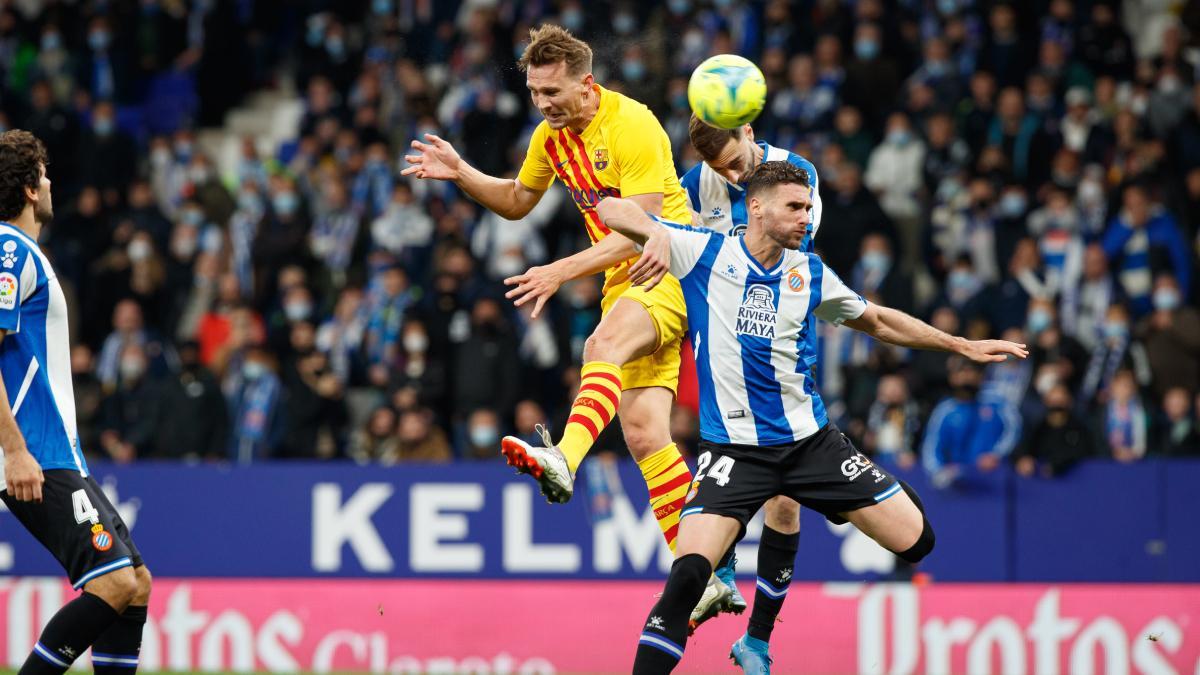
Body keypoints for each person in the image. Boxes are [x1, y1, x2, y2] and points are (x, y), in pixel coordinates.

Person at [592, 161, 1027, 674]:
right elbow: (609, 207)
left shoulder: (810, 273)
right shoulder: (703, 251)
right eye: (795, 207)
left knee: (919, 543)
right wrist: (657, 235)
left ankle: (843, 499)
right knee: (687, 576)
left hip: (812, 446)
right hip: (733, 453)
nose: (806, 217)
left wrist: (960, 344)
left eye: (808, 207)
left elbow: (880, 320)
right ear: (756, 207)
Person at [403, 25, 694, 557]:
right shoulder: (550, 138)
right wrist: (463, 172)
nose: (542, 104)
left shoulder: (632, 124)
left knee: (599, 349)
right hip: (620, 283)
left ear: (585, 84)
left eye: (552, 93)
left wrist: (560, 270)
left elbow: (649, 231)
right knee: (645, 433)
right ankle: (706, 571)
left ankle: (564, 456)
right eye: (535, 93)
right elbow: (517, 200)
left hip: (668, 266)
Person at [0, 130, 151, 673]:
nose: (49, 181)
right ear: (27, 188)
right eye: (42, 172)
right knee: (112, 582)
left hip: (57, 451)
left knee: (134, 584)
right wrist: (15, 451)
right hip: (34, 452)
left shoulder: (26, 251)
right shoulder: (8, 247)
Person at [677, 116, 822, 661]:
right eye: (721, 170)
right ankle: (725, 571)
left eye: (736, 162)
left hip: (783, 335)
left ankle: (758, 638)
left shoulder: (795, 172)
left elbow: (792, 247)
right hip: (719, 340)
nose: (732, 175)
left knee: (785, 502)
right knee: (723, 460)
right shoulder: (694, 184)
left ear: (749, 130)